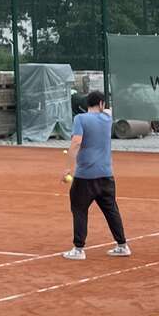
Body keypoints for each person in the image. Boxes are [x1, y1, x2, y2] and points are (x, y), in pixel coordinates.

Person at [62, 90, 130, 260]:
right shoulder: (107, 118)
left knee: (79, 209)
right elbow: (108, 110)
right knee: (111, 210)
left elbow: (76, 142)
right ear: (101, 104)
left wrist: (67, 168)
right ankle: (122, 245)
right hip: (106, 175)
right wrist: (103, 107)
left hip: (85, 176)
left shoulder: (80, 119)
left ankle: (78, 249)